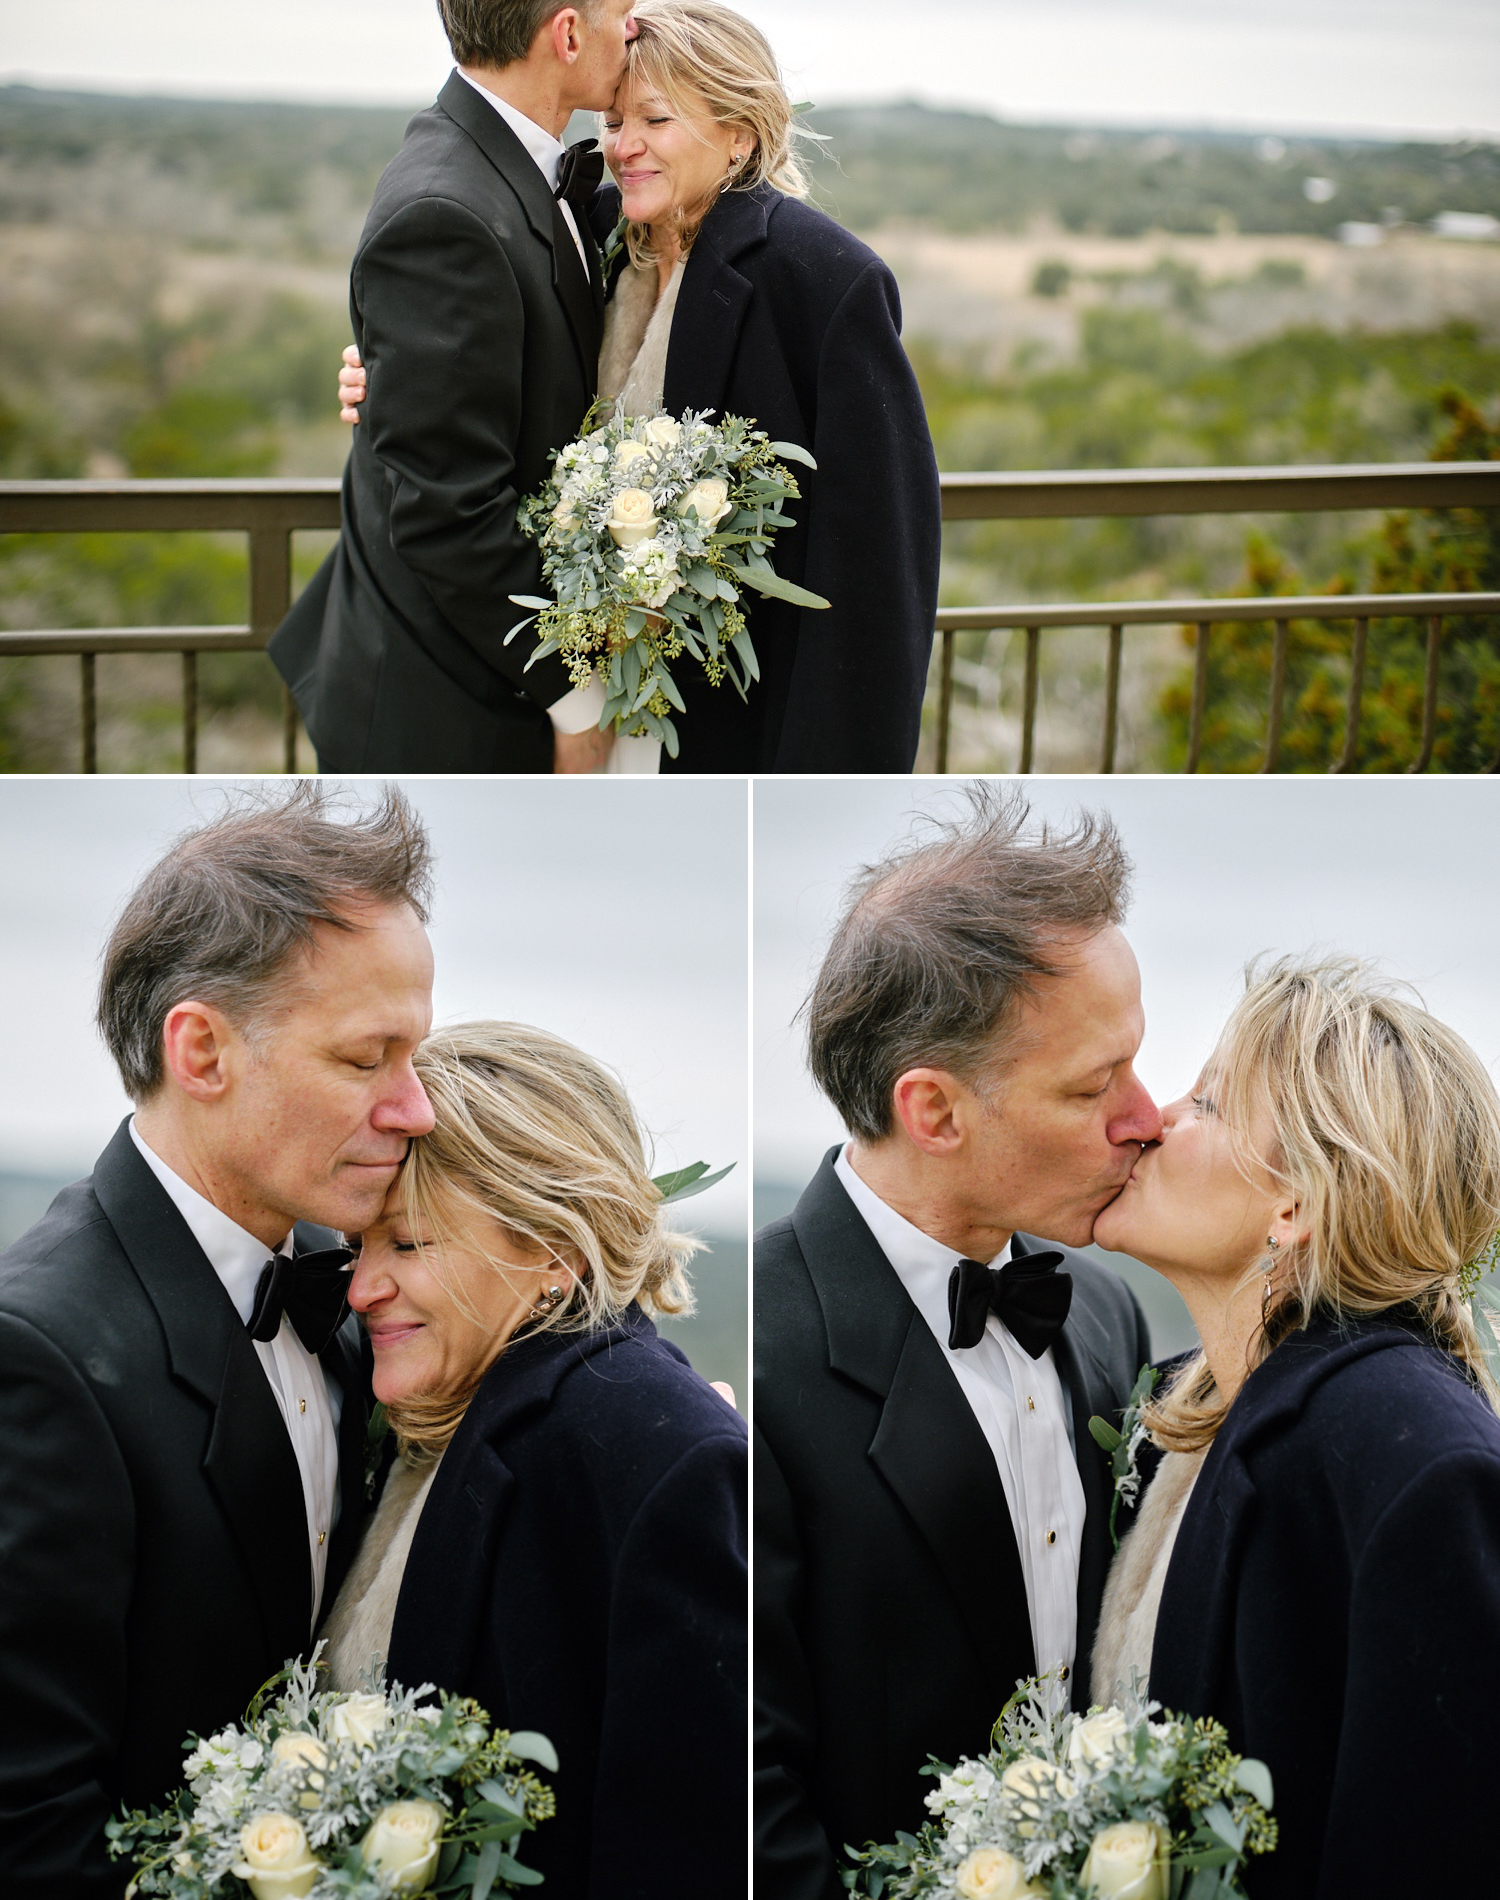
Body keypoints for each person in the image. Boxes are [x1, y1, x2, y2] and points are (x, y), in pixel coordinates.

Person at [0, 783, 437, 1896]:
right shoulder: (33, 1355)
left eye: (415, 1055)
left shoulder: (360, 1299)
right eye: (364, 1058)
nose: (416, 1108)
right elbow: (27, 1827)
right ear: (200, 1050)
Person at [339, 0, 943, 774]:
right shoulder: (596, 231)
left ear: (738, 133)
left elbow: (878, 574)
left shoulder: (823, 281)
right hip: (587, 705)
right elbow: (467, 360)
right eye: (615, 121)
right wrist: (384, 379)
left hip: (735, 725)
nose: (625, 147)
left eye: (655, 121)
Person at [755, 789, 1159, 1900]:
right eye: (1095, 1084)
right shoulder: (761, 1351)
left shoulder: (1101, 1306)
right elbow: (752, 1790)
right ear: (932, 1109)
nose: (1149, 1116)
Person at [1090, 956, 1500, 1897]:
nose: (1155, 1118)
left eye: (1211, 1101)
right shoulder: (1177, 1415)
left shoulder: (1416, 1462)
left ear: (1297, 1204)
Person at [323, 1019, 747, 1900]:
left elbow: (681, 1851)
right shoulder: (423, 1411)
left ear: (553, 1247)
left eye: (407, 1243)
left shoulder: (662, 1454)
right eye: (358, 1243)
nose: (361, 1287)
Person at [268, 0, 647, 776]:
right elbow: (446, 512)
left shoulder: (514, 165)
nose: (633, 33)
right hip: (446, 705)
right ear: (566, 34)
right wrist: (577, 699)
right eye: (625, 14)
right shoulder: (446, 214)